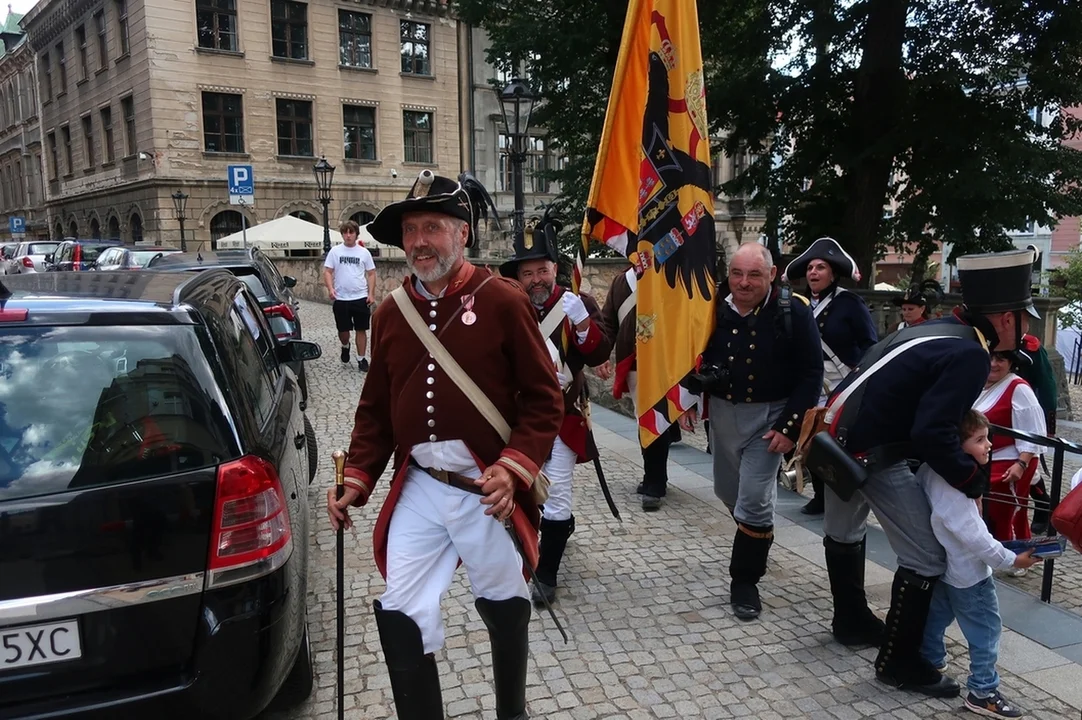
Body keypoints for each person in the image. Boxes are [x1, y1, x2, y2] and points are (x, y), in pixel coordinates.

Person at [325, 171, 564, 720]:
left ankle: (512, 712)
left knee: (505, 601)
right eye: (410, 230)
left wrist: (514, 467)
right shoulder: (390, 312)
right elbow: (375, 413)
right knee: (400, 610)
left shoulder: (502, 301)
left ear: (463, 233)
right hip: (422, 487)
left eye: (432, 227)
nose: (418, 242)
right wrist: (356, 478)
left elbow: (543, 398)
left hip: (485, 485)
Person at [819, 248, 1040, 699]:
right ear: (1003, 319)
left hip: (837, 435)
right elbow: (934, 432)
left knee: (844, 532)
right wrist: (970, 478)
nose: (1027, 327)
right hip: (872, 451)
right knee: (927, 557)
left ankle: (850, 620)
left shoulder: (941, 329)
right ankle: (900, 663)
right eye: (1023, 316)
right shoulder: (969, 353)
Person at [700, 243, 823, 620]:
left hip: (770, 418)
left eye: (754, 274)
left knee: (753, 499)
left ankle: (745, 581)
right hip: (722, 414)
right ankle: (757, 532)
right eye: (737, 273)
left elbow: (810, 374)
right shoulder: (709, 308)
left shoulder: (794, 311)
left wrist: (788, 428)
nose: (743, 282)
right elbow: (689, 353)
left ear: (771, 275)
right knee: (729, 492)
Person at [499, 210, 612, 606]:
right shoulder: (507, 305)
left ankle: (546, 575)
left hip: (563, 416)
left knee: (558, 492)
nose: (536, 281)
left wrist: (582, 323)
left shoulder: (576, 303)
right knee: (522, 488)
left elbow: (597, 350)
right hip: (518, 418)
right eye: (527, 274)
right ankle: (536, 540)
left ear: (554, 269)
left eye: (542, 271)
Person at [919, 409, 1039, 718]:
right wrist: (1012, 560)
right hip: (969, 573)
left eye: (988, 438)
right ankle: (983, 691)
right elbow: (975, 537)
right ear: (957, 446)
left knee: (938, 615)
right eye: (980, 440)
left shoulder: (931, 471)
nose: (989, 446)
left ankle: (930, 658)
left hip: (947, 567)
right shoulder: (956, 488)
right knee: (986, 630)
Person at [782, 237, 878, 515]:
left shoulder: (850, 303)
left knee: (837, 441)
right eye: (810, 267)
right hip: (811, 381)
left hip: (842, 382)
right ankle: (820, 495)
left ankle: (842, 495)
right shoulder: (799, 306)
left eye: (820, 267)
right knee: (810, 439)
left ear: (833, 273)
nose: (813, 273)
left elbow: (869, 345)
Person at [596, 267, 693, 511]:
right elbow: (609, 321)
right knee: (647, 422)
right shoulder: (621, 282)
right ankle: (656, 476)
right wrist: (601, 354)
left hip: (663, 362)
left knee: (653, 422)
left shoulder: (667, 276)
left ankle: (654, 483)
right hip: (635, 363)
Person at [974, 350, 1046, 548]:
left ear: (1011, 363)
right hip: (982, 458)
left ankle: (1018, 553)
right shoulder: (976, 382)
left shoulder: (1018, 388)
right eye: (990, 357)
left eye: (1001, 359)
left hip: (1012, 459)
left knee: (1007, 509)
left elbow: (1033, 432)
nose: (994, 364)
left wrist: (1021, 464)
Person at [323, 220, 377, 371]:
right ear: (342, 234)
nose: (348, 235)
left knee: (361, 329)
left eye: (351, 232)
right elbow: (327, 271)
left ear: (356, 234)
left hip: (360, 297)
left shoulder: (363, 253)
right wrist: (330, 288)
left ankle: (361, 358)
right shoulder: (335, 251)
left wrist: (371, 293)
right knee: (343, 331)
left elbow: (371, 273)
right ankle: (345, 346)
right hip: (341, 298)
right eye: (345, 232)